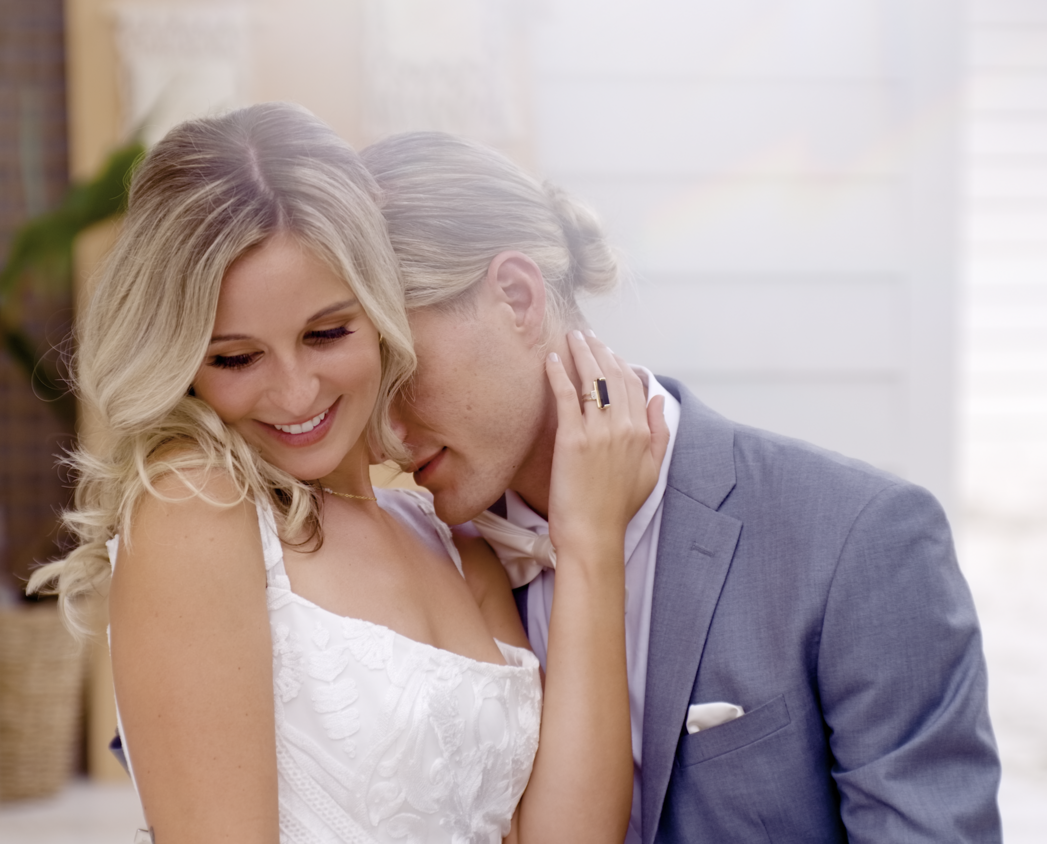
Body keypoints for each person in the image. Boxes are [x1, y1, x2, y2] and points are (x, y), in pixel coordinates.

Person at [29, 103, 668, 843]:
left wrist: (589, 544)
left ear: (379, 312)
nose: (295, 393)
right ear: (184, 362)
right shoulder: (195, 507)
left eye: (327, 333)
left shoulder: (457, 549)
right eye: (237, 357)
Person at [362, 131, 1003, 844]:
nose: (382, 435)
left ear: (516, 297)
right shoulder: (425, 571)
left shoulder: (859, 540)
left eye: (401, 373)